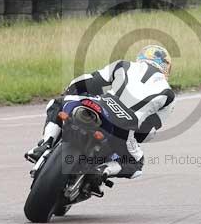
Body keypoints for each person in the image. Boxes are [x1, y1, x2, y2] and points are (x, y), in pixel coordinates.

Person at [25, 45, 175, 180]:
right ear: (166, 67)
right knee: (136, 163)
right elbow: (147, 132)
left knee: (57, 104)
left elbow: (89, 81)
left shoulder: (123, 65)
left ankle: (45, 144)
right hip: (123, 127)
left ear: (141, 57)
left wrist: (69, 91)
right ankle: (103, 170)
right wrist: (132, 135)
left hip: (101, 106)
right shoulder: (168, 95)